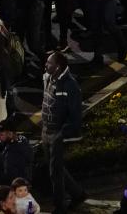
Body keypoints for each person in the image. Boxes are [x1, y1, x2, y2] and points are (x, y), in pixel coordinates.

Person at [42, 52, 85, 213]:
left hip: (56, 133)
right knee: (55, 168)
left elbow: (75, 116)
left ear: (58, 67)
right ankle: (78, 194)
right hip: (46, 131)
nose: (46, 65)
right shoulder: (48, 77)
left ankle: (59, 207)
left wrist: (62, 133)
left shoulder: (70, 86)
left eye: (49, 63)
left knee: (55, 173)